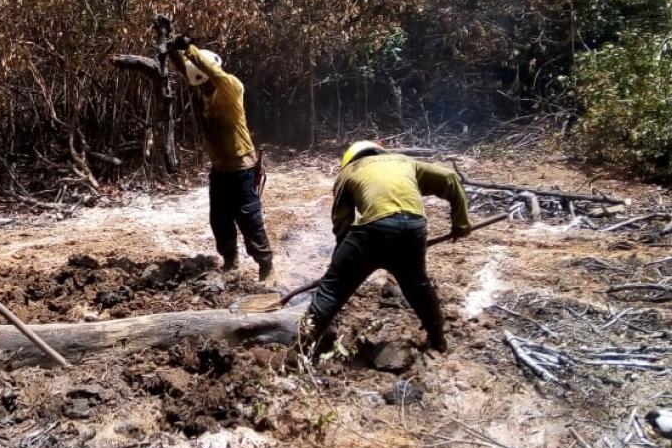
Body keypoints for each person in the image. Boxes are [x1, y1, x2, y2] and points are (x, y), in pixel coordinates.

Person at [302, 141, 471, 354]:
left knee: (331, 291)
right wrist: (461, 223)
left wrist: (339, 267)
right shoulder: (404, 162)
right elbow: (450, 178)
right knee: (417, 285)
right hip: (414, 227)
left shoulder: (348, 173)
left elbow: (342, 225)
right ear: (379, 152)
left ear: (350, 160)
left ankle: (299, 349)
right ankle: (438, 341)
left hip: (374, 230)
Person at [167, 35, 276, 283]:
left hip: (241, 168)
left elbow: (210, 74)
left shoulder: (231, 88)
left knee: (249, 218)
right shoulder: (206, 91)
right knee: (219, 218)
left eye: (204, 83)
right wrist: (174, 52)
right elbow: (190, 73)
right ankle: (230, 260)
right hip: (220, 169)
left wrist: (190, 49)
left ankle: (266, 266)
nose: (202, 88)